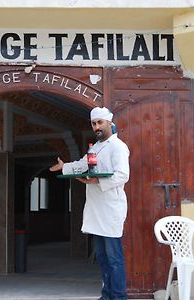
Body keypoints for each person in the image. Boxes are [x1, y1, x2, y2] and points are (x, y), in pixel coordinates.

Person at [50, 106, 130, 300]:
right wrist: (65, 167)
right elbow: (83, 164)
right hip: (96, 210)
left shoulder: (118, 146)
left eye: (100, 123)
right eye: (94, 124)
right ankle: (107, 295)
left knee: (114, 259)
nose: (96, 127)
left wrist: (97, 181)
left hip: (111, 209)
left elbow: (122, 175)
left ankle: (118, 297)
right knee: (102, 258)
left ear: (109, 123)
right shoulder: (95, 147)